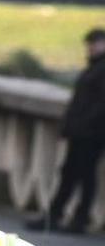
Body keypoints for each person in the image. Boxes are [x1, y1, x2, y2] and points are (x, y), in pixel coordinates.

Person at [33, 27, 105, 233]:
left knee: (84, 176)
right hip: (82, 132)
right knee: (70, 174)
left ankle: (77, 219)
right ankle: (57, 216)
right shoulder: (94, 68)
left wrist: (84, 126)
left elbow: (99, 106)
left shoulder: (100, 69)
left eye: (94, 44)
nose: (90, 48)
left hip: (92, 134)